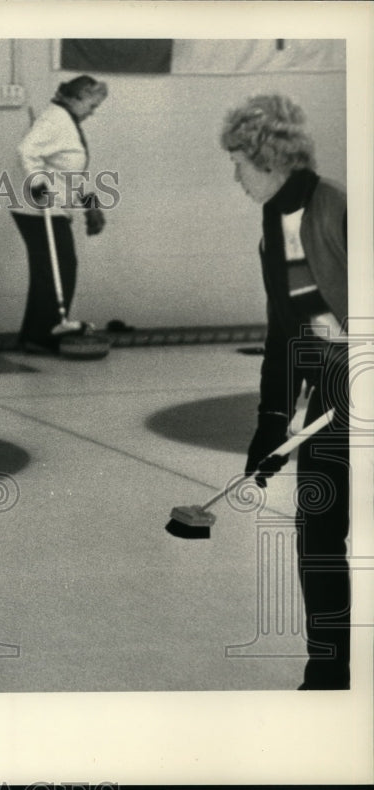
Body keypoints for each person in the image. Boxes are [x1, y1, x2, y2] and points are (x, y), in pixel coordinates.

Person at [220, 94, 350, 690]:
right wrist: (272, 420)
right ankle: (327, 672)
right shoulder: (274, 226)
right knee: (318, 530)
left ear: (264, 156)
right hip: (332, 390)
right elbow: (286, 330)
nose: (236, 176)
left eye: (238, 162)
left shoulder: (339, 209)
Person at [12, 75, 108, 354]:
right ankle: (42, 334)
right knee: (57, 268)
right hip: (39, 208)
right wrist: (38, 184)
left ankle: (36, 334)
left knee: (54, 268)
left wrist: (90, 204)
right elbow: (25, 150)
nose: (93, 111)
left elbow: (70, 172)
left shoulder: (66, 120)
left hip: (50, 208)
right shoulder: (56, 119)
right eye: (92, 104)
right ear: (77, 97)